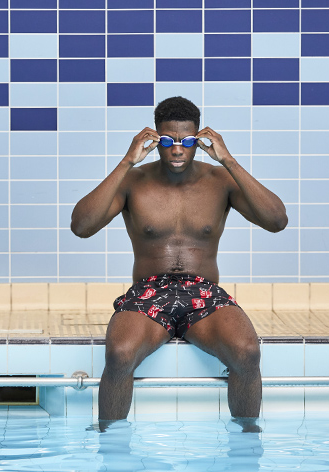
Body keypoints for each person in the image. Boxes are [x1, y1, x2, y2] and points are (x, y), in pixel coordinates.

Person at [71, 97, 288, 430]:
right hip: (149, 292)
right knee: (118, 354)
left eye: (187, 141)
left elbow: (277, 220)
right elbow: (81, 226)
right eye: (168, 141)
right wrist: (126, 161)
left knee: (247, 352)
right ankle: (110, 448)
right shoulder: (133, 182)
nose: (177, 149)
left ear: (198, 141)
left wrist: (228, 160)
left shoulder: (220, 181)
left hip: (204, 293)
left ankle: (246, 445)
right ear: (156, 139)